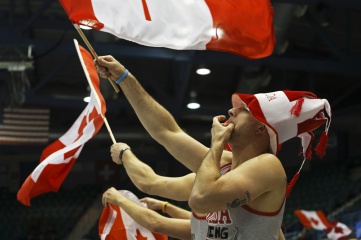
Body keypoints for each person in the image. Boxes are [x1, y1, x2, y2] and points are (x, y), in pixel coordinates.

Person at [95, 55, 331, 239]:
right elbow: (167, 132)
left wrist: (216, 143)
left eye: (244, 110)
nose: (231, 111)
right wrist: (124, 78)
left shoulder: (268, 166)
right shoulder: (224, 166)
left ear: (262, 129)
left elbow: (200, 199)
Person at [102, 189, 192, 240]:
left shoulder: (204, 228)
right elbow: (196, 220)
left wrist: (120, 200)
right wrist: (165, 206)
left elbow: (155, 224)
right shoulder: (204, 223)